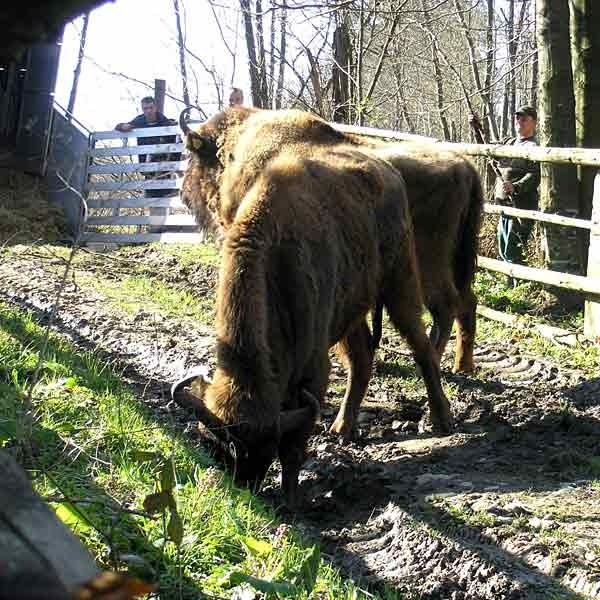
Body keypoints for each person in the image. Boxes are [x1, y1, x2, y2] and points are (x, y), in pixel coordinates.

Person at [115, 97, 181, 232]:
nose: (148, 111)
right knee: (151, 196)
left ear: (155, 107)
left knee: (164, 196)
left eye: (151, 108)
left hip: (164, 168)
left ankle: (161, 227)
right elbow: (120, 126)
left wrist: (172, 165)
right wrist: (124, 126)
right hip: (147, 168)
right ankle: (154, 228)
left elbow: (175, 142)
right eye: (145, 108)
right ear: (143, 109)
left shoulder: (164, 122)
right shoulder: (140, 121)